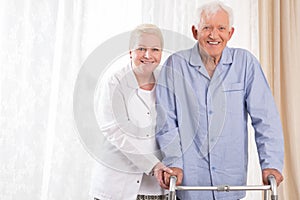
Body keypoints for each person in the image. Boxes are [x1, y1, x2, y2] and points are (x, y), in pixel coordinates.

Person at [155, 1, 284, 200]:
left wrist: (271, 164)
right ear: (195, 31)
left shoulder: (245, 64)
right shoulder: (176, 66)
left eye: (221, 28)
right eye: (207, 28)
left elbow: (265, 119)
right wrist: (174, 162)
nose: (214, 35)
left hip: (230, 182)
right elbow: (166, 122)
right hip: (189, 183)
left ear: (230, 33)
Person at [90, 24, 172, 200]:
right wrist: (153, 165)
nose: (148, 55)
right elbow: (115, 131)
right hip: (116, 187)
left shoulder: (166, 81)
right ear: (130, 52)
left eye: (155, 49)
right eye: (141, 48)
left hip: (155, 188)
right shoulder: (114, 83)